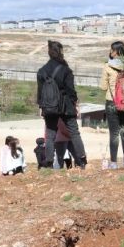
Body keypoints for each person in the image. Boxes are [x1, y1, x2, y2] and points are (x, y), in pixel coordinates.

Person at [37, 40, 88, 169]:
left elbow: (40, 92)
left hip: (49, 106)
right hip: (66, 106)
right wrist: (75, 104)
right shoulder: (66, 70)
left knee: (50, 135)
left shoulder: (42, 71)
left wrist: (41, 107)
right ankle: (82, 161)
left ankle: (49, 163)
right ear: (60, 52)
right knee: (74, 133)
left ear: (49, 52)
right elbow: (71, 91)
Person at [99, 40, 124, 169]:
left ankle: (113, 163)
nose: (110, 52)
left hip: (112, 102)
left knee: (114, 134)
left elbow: (103, 87)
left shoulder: (108, 67)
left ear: (115, 52)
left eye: (111, 50)